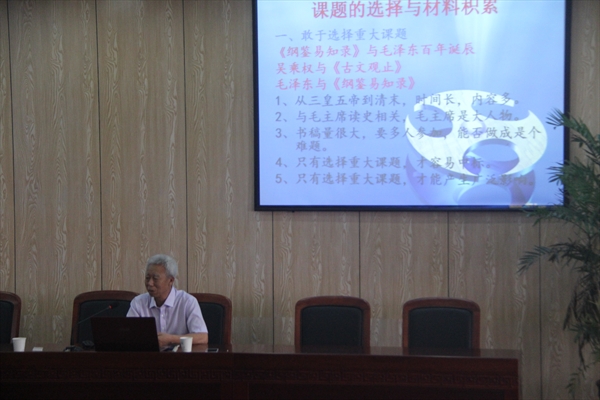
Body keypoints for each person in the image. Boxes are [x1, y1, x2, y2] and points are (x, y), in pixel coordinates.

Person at [127, 254, 208, 346]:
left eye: (155, 278)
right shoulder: (138, 303)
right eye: (147, 278)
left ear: (171, 280)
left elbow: (202, 337)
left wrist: (171, 339)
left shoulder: (187, 301)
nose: (150, 283)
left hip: (180, 354)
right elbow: (128, 335)